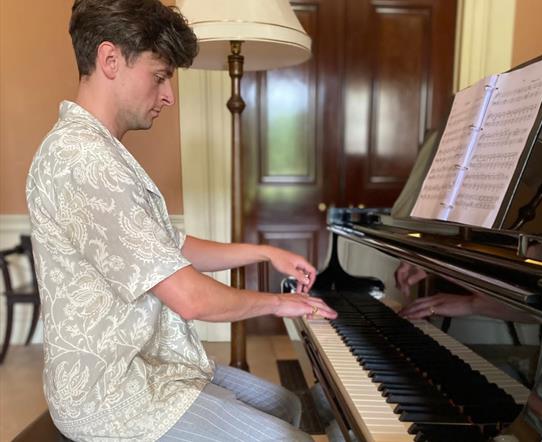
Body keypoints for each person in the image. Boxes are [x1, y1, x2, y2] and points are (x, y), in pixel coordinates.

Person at [25, 1, 337, 441]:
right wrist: (281, 303)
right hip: (111, 395)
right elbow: (190, 299)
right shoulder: (82, 160)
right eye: (160, 76)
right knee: (290, 437)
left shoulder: (103, 152)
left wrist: (264, 251)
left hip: (156, 366)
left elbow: (171, 246)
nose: (169, 95)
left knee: (286, 403)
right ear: (110, 60)